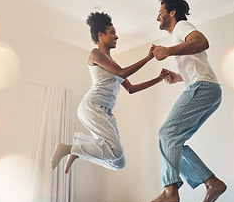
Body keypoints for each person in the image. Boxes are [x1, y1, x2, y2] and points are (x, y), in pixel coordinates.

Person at [51, 12, 170, 173]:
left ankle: (77, 151)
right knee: (115, 151)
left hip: (105, 112)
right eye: (112, 33)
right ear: (101, 35)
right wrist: (147, 58)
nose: (117, 37)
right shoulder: (95, 54)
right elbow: (122, 73)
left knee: (118, 162)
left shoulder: (112, 64)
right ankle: (69, 148)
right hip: (93, 106)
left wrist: (159, 78)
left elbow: (131, 89)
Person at [140, 0, 226, 202]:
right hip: (208, 89)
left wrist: (167, 51)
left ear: (172, 12)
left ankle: (170, 190)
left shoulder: (181, 26)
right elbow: (197, 62)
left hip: (203, 87)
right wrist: (179, 76)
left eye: (160, 13)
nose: (157, 17)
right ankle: (211, 182)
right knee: (173, 140)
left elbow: (202, 42)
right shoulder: (178, 35)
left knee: (166, 133)